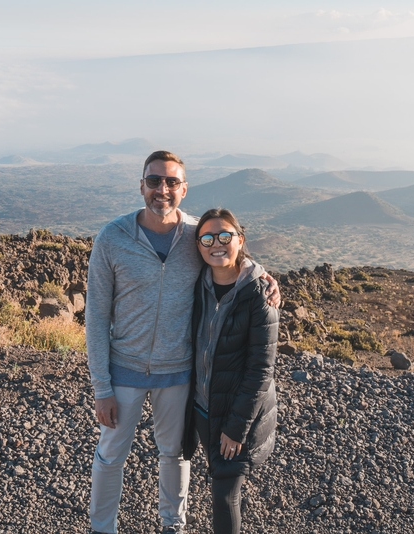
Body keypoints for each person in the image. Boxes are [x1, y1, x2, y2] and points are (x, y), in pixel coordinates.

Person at [85, 151, 280, 534]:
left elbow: (232, 256)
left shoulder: (195, 236)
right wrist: (101, 387)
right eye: (154, 180)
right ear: (141, 185)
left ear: (184, 189)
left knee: (175, 455)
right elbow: (95, 318)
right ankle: (101, 528)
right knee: (110, 456)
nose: (162, 189)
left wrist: (266, 277)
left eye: (171, 182)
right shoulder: (113, 238)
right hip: (123, 368)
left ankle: (172, 527)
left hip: (177, 371)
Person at [183, 208, 279, 534]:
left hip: (237, 414)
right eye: (207, 238)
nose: (216, 244)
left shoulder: (260, 294)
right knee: (218, 481)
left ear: (240, 239)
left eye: (225, 236)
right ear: (197, 245)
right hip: (202, 406)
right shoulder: (196, 285)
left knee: (225, 497)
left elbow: (260, 370)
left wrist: (236, 428)